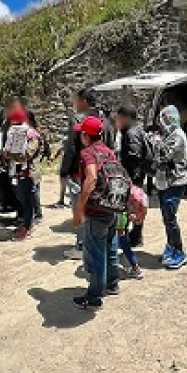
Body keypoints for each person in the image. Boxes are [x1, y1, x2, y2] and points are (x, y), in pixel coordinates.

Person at [71, 114, 121, 310]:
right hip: (112, 207)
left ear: (85, 135)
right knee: (110, 248)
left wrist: (80, 208)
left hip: (96, 210)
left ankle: (94, 296)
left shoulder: (88, 153)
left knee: (96, 253)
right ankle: (112, 284)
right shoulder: (109, 152)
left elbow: (91, 178)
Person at [61, 88, 112, 261]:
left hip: (83, 171)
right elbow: (111, 146)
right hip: (104, 170)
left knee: (81, 206)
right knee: (100, 206)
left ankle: (82, 245)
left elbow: (71, 149)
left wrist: (64, 171)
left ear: (83, 101)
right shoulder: (106, 119)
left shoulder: (78, 120)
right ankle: (98, 242)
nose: (75, 103)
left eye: (76, 100)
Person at [152, 105, 187, 270]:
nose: (160, 123)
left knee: (171, 219)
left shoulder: (178, 136)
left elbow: (163, 155)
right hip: (164, 182)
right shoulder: (168, 134)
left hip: (175, 182)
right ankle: (170, 246)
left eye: (163, 119)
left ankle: (180, 252)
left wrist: (154, 142)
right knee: (167, 219)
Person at [4, 107, 42, 241]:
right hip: (17, 171)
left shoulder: (32, 135)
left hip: (28, 172)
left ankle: (28, 227)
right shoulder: (14, 132)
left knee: (27, 200)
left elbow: (27, 154)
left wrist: (11, 154)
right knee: (21, 199)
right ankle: (25, 223)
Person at [114, 104, 148, 247]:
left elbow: (134, 155)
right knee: (135, 206)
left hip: (132, 177)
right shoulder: (136, 130)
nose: (118, 120)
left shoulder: (131, 133)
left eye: (119, 117)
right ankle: (134, 236)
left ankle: (129, 238)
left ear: (126, 117)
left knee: (128, 208)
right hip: (136, 176)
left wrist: (126, 175)